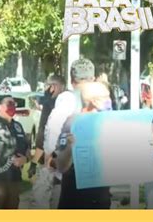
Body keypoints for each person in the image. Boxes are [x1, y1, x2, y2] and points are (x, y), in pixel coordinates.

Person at [40, 58, 96, 209]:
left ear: (72, 81)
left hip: (79, 172)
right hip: (84, 172)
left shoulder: (72, 99)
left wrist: (50, 154)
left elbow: (52, 126)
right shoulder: (73, 99)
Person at [55, 82, 113, 209]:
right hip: (75, 198)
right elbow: (61, 166)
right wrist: (70, 147)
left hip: (100, 198)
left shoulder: (110, 123)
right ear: (94, 101)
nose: (109, 100)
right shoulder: (73, 123)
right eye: (105, 97)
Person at [28, 75, 65, 209]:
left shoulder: (50, 107)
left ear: (52, 87)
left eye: (46, 86)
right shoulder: (70, 104)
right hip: (66, 163)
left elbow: (43, 137)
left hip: (49, 162)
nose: (44, 89)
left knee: (40, 200)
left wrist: (33, 162)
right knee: (59, 200)